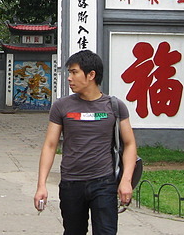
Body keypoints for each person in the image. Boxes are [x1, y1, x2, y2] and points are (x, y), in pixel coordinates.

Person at [34, 50, 138, 235]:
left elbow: (129, 144)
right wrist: (41, 185)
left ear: (91, 75)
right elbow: (50, 145)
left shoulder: (115, 106)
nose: (69, 78)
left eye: (74, 72)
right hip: (71, 183)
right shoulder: (61, 106)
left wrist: (126, 181)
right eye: (69, 72)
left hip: (104, 182)